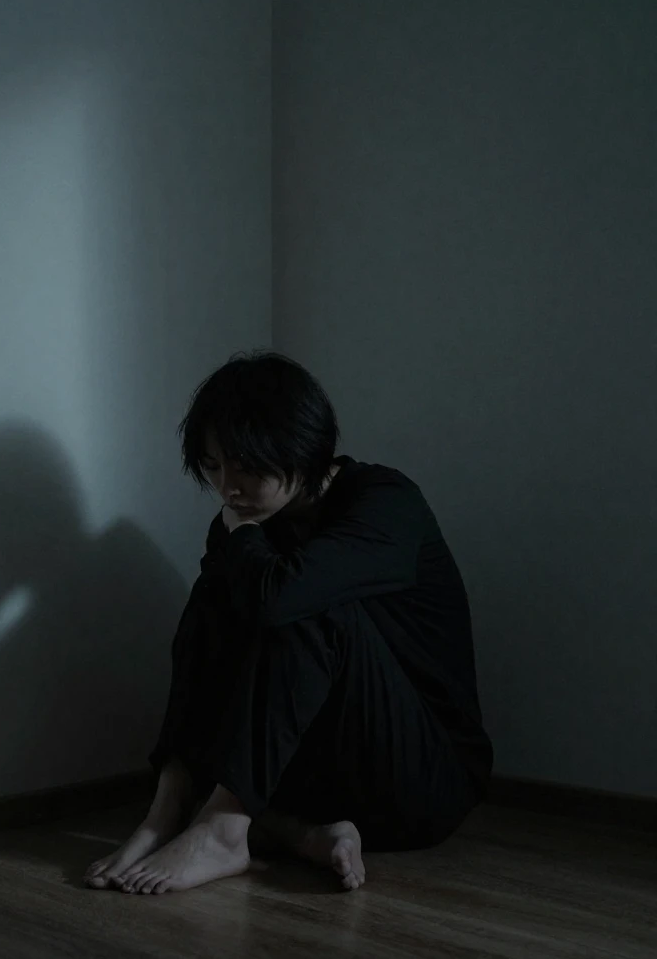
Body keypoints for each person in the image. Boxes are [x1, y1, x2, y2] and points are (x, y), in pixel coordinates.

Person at [83, 351, 493, 895]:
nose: (227, 488)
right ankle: (180, 810)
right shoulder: (249, 521)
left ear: (301, 449)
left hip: (422, 776)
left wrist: (241, 537)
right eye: (213, 466)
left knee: (302, 599)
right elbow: (212, 651)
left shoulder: (386, 502)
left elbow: (282, 599)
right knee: (213, 597)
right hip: (320, 774)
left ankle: (224, 829)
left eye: (244, 466)